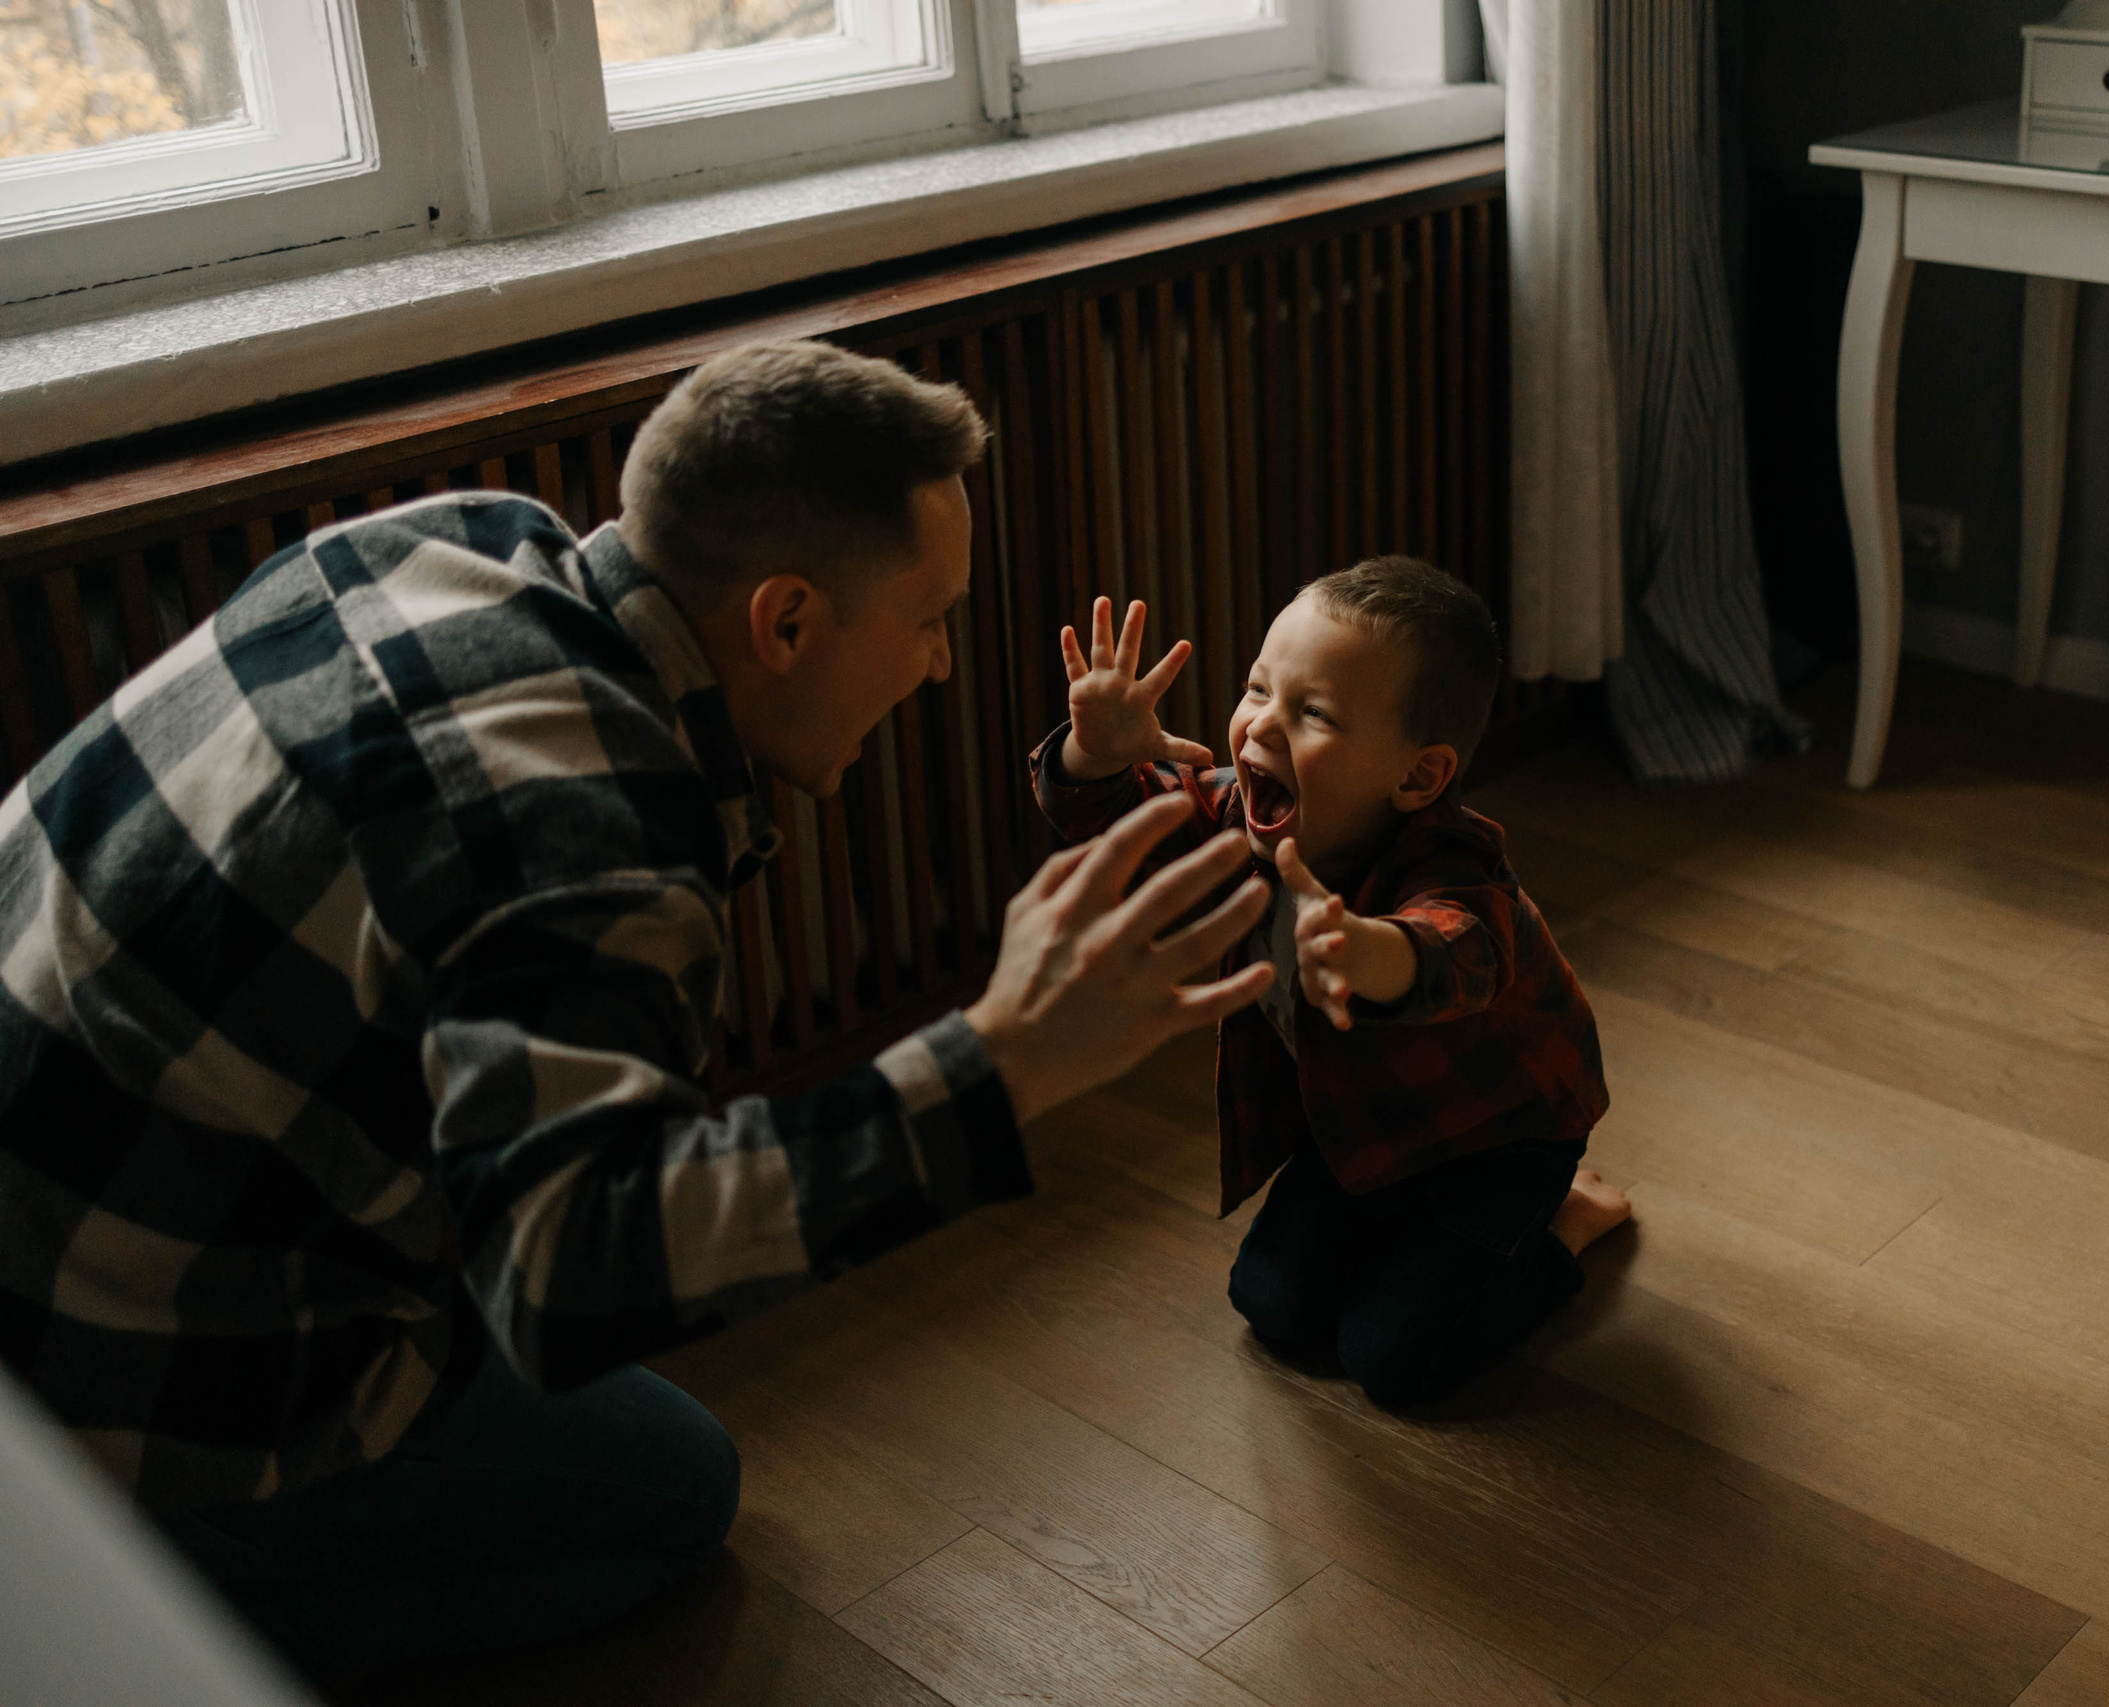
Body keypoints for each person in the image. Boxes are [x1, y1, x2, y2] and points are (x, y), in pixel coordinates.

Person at [0, 340, 1276, 1682]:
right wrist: (999, 1059)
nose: (943, 664)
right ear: (786, 620)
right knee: (675, 1490)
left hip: (84, 1171)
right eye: (928, 617)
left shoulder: (458, 539)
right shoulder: (584, 826)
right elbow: (568, 1276)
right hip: (91, 1378)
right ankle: (117, 1619)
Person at [1030, 559, 1631, 1410]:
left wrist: (1363, 949)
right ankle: (1434, 1244)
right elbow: (1123, 817)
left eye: (1311, 713)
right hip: (1364, 1124)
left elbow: (1452, 953)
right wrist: (1096, 753)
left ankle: (1560, 1225)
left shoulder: (1455, 867)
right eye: (1257, 688)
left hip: (1496, 1136)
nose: (1259, 728)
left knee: (1395, 1361)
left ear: (1418, 777)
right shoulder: (1246, 809)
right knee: (1272, 1306)